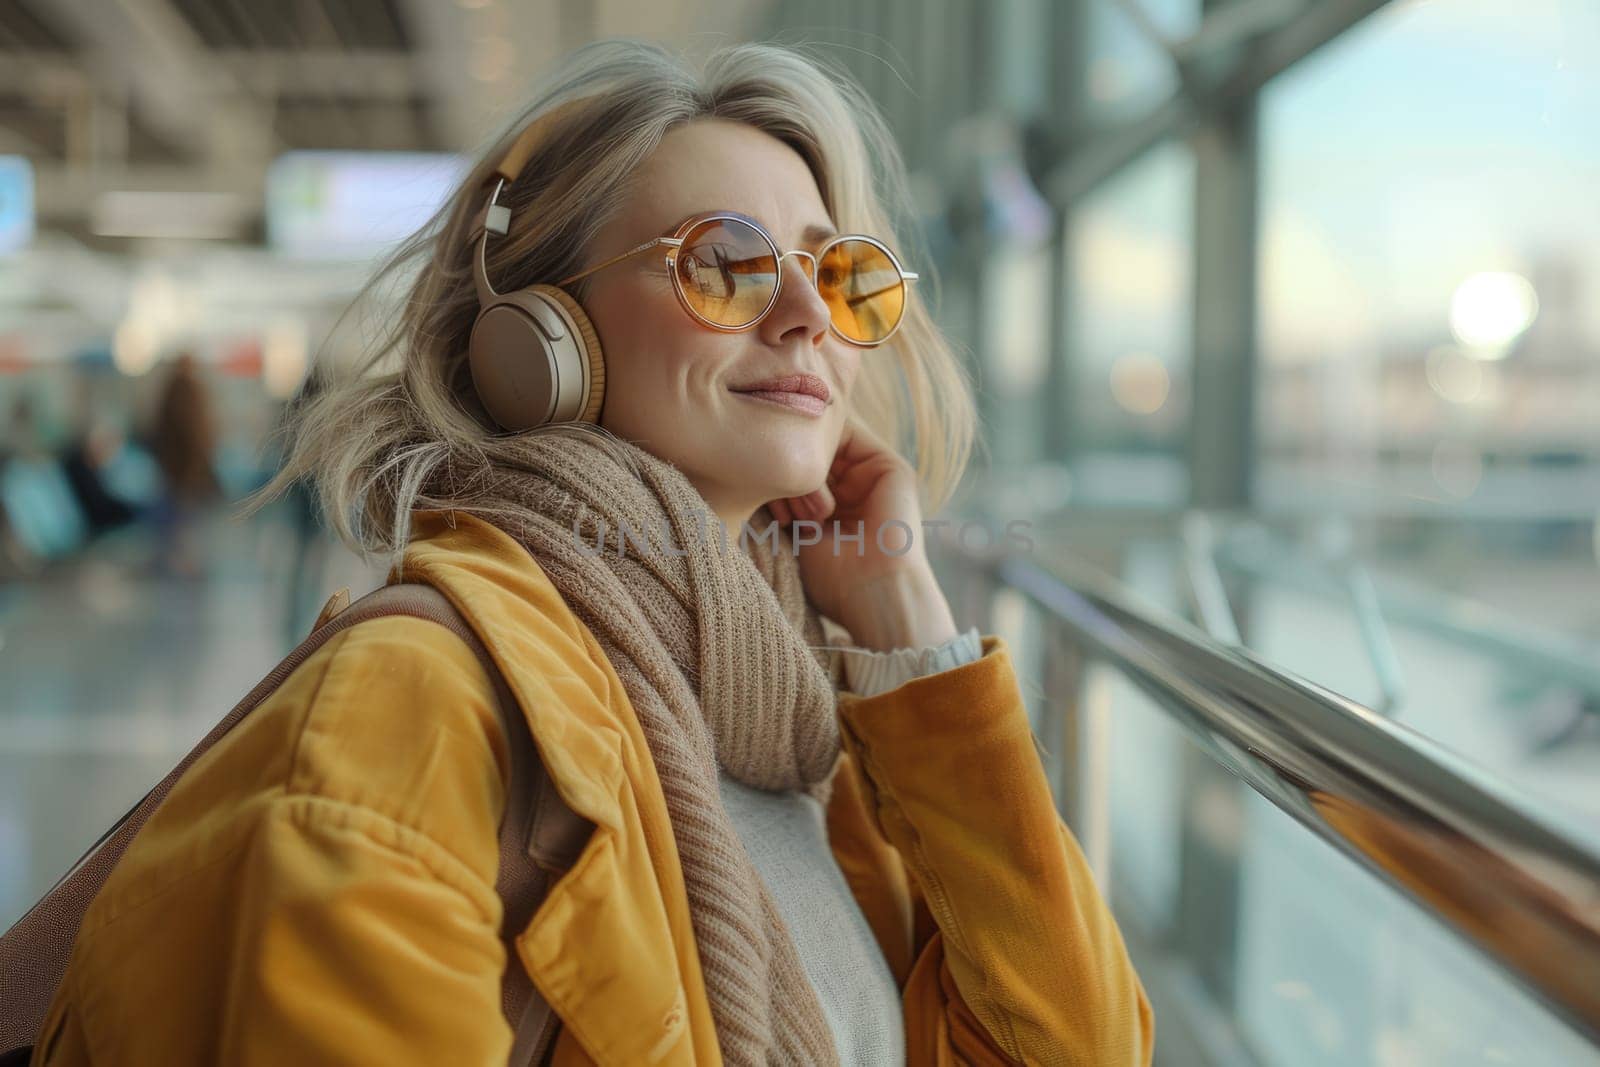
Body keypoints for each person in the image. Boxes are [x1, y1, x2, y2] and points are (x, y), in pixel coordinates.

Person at [32, 39, 1152, 1065]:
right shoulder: (410, 708)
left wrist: (906, 617)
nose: (809, 312)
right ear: (541, 333)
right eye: (727, 263)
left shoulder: (819, 728)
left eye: (838, 269)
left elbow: (1079, 1047)